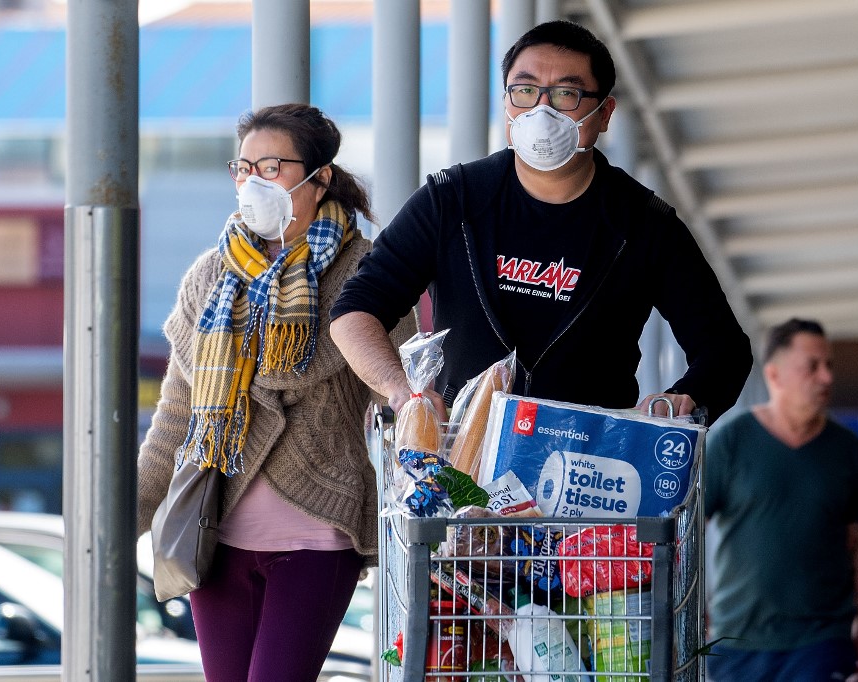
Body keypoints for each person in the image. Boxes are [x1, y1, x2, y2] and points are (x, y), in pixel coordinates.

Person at [329, 20, 751, 424]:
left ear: (605, 114)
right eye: (526, 91)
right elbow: (354, 310)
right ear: (506, 103)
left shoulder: (644, 225)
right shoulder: (452, 200)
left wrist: (683, 401)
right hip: (464, 450)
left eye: (567, 94)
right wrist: (402, 391)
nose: (542, 110)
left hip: (590, 459)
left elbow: (725, 350)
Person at [136, 103, 415, 681]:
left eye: (271, 167)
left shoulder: (368, 274)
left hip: (321, 532)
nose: (253, 182)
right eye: (243, 168)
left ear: (320, 178)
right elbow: (178, 418)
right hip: (214, 532)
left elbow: (403, 400)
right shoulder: (210, 276)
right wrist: (122, 517)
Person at [704, 318, 858, 682]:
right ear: (774, 375)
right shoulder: (731, 441)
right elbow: (689, 531)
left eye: (828, 365)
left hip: (822, 640)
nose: (826, 377)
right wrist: (692, 610)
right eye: (812, 366)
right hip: (737, 639)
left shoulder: (846, 449)